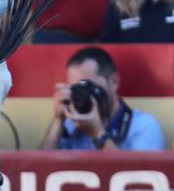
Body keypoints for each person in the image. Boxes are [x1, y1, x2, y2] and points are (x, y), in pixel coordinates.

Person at [39, 44, 167, 148]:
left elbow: (134, 172)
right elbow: (41, 168)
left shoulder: (143, 126)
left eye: (87, 86)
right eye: (76, 89)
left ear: (114, 82)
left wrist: (98, 134)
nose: (82, 94)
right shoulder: (72, 125)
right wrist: (58, 120)